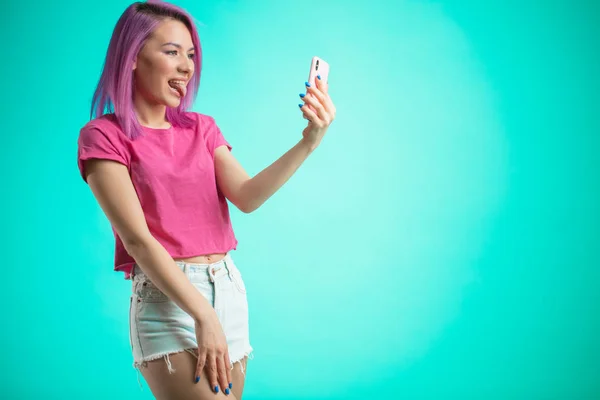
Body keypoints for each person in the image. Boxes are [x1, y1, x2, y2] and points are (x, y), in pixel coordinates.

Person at [77, 1, 335, 399]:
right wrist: (202, 313)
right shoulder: (103, 137)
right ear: (131, 56)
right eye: (172, 52)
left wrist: (309, 141)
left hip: (227, 288)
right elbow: (138, 240)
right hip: (169, 300)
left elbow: (247, 197)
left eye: (192, 55)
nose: (186, 66)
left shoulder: (202, 127)